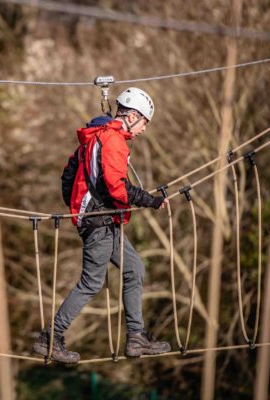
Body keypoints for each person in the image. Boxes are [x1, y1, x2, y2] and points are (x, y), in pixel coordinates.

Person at [33, 87, 171, 363]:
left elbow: (69, 176)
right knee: (92, 282)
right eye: (144, 122)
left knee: (134, 268)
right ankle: (51, 338)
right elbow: (118, 188)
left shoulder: (95, 138)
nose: (144, 130)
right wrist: (150, 201)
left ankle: (136, 337)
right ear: (132, 117)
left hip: (102, 220)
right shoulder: (113, 140)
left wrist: (80, 209)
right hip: (99, 222)